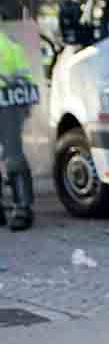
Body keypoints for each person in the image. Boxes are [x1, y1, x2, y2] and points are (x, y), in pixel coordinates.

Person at [0, 31, 39, 231]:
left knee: (13, 157)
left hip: (7, 107)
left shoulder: (9, 46)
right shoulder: (10, 44)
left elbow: (23, 77)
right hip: (9, 106)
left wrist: (23, 105)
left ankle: (23, 208)